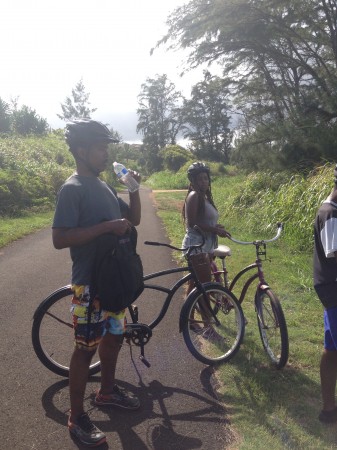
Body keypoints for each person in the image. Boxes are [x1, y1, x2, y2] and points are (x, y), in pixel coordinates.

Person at [52, 119, 141, 447]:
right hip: (88, 285)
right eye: (101, 148)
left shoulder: (105, 186)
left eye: (107, 147)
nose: (106, 153)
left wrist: (134, 191)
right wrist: (106, 227)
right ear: (81, 151)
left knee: (114, 339)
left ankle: (106, 392)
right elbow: (59, 239)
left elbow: (132, 222)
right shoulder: (72, 188)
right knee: (84, 349)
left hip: (113, 283)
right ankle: (76, 417)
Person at [181, 161, 230, 296]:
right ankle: (207, 317)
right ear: (193, 181)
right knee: (204, 289)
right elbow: (192, 222)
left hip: (206, 246)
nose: (203, 182)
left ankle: (188, 314)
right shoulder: (194, 195)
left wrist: (215, 227)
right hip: (197, 247)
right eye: (199, 179)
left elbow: (203, 221)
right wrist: (215, 230)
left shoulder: (204, 197)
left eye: (205, 178)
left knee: (196, 284)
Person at [314, 164, 337, 424]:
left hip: (330, 291)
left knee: (331, 350)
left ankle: (329, 410)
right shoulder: (331, 214)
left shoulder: (331, 210)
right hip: (334, 290)